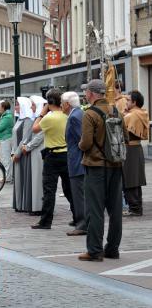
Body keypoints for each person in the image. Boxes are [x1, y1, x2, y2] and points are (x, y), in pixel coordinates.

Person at [78, 79, 128, 261]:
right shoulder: (116, 111)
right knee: (115, 210)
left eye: (86, 92)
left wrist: (80, 145)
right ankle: (113, 248)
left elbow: (86, 143)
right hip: (116, 165)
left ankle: (94, 250)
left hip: (96, 166)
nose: (85, 95)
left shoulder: (90, 114)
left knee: (95, 209)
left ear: (91, 93)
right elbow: (125, 138)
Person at [31, 88, 74, 230]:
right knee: (69, 189)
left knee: (49, 190)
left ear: (49, 103)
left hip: (52, 156)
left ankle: (46, 221)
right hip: (66, 155)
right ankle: (77, 216)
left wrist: (41, 114)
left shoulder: (49, 118)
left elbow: (35, 129)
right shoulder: (67, 116)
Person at [61, 91, 87, 236]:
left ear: (67, 104)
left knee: (79, 194)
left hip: (77, 161)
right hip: (76, 159)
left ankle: (82, 224)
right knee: (78, 193)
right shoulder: (76, 114)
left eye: (62, 103)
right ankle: (80, 221)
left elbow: (81, 139)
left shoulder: (75, 117)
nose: (61, 106)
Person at [122, 90, 148, 217]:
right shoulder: (140, 113)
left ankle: (135, 208)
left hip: (130, 149)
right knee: (135, 179)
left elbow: (122, 130)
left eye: (128, 100)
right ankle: (136, 207)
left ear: (134, 102)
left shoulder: (131, 115)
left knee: (130, 178)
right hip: (136, 148)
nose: (125, 102)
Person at [21, 95, 47, 215]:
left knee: (38, 180)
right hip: (34, 151)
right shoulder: (37, 118)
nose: (31, 107)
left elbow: (40, 136)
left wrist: (29, 146)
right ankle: (36, 205)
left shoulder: (44, 118)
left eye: (33, 104)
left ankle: (39, 207)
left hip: (39, 151)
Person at [11, 97, 33, 212]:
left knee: (22, 178)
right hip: (16, 154)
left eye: (17, 105)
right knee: (18, 179)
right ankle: (19, 204)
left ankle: (23, 204)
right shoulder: (19, 119)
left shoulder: (28, 120)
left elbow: (24, 139)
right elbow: (14, 138)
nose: (15, 107)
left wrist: (17, 154)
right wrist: (12, 152)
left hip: (22, 155)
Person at [0, 100, 14, 183]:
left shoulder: (7, 116)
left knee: (5, 158)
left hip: (5, 139)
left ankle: (7, 177)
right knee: (4, 158)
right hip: (4, 138)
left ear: (3, 107)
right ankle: (6, 176)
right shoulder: (5, 115)